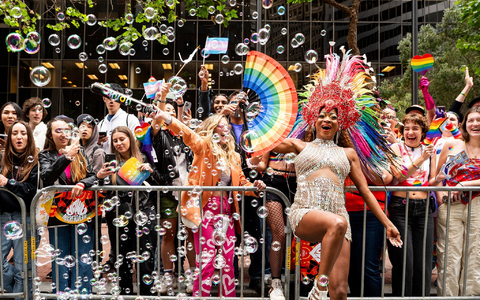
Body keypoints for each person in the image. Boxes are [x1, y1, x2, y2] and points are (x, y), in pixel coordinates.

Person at [271, 49, 402, 300]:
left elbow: (365, 191)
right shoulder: (300, 146)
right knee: (338, 223)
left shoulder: (349, 154)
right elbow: (269, 144)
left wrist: (388, 224)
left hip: (339, 221)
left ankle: (325, 289)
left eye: (332, 116)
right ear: (314, 122)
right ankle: (319, 286)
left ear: (340, 124)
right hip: (305, 214)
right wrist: (255, 121)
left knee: (340, 291)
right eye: (321, 115)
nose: (326, 118)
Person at [148, 109, 267, 297]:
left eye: (228, 127)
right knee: (207, 260)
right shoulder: (204, 147)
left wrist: (255, 185)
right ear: (213, 130)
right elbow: (188, 135)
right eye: (222, 126)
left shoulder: (235, 157)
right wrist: (166, 117)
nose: (226, 129)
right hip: (204, 211)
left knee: (228, 261)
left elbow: (242, 182)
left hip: (227, 212)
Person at [96, 126, 160, 295]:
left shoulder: (144, 158)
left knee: (145, 259)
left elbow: (160, 181)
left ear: (130, 139)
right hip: (118, 215)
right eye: (115, 140)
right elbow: (103, 189)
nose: (118, 143)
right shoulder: (110, 162)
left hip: (144, 212)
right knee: (121, 259)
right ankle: (125, 295)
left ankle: (146, 295)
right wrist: (100, 177)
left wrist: (151, 172)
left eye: (122, 139)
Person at [39, 117, 97, 293]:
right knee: (61, 257)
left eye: (66, 130)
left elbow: (92, 175)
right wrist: (66, 156)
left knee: (83, 256)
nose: (63, 134)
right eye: (58, 130)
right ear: (50, 134)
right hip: (58, 213)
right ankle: (62, 294)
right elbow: (47, 176)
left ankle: (83, 295)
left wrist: (82, 184)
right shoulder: (46, 155)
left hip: (82, 211)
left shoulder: (80, 152)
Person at [150, 86, 193, 293]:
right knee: (168, 235)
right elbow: (158, 120)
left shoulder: (187, 136)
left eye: (172, 111)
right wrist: (163, 98)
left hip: (190, 193)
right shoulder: (158, 136)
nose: (168, 113)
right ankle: (168, 275)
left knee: (191, 236)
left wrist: (180, 106)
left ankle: (193, 273)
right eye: (165, 110)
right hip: (168, 192)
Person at [388, 113, 437, 296]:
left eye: (415, 128)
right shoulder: (395, 148)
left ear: (423, 131)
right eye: (407, 128)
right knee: (404, 260)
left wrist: (441, 177)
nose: (410, 132)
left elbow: (431, 180)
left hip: (424, 207)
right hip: (400, 207)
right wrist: (422, 159)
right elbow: (398, 176)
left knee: (423, 262)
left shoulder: (430, 150)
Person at [435, 106, 480, 296]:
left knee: (475, 255)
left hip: (477, 205)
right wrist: (441, 195)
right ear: (464, 124)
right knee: (449, 257)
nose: (475, 124)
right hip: (451, 206)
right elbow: (437, 177)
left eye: (479, 120)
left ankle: (471, 297)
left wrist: (465, 184)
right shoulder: (452, 144)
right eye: (471, 120)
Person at [0, 121, 38, 300]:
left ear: (29, 137)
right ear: (10, 137)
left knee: (25, 267)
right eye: (15, 133)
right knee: (20, 270)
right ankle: (15, 281)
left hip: (27, 219)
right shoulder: (2, 160)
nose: (19, 137)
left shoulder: (36, 160)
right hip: (3, 218)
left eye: (23, 133)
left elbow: (31, 191)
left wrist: (8, 183)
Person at [255, 150, 297, 300]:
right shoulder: (274, 133)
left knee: (295, 235)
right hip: (273, 183)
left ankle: (297, 281)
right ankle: (276, 283)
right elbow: (262, 165)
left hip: (298, 183)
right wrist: (252, 163)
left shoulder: (304, 129)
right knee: (278, 234)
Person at [97, 83, 140, 153]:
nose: (112, 100)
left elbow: (136, 144)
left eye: (115, 96)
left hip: (125, 162)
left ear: (121, 99)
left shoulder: (130, 119)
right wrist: (98, 142)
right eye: (108, 96)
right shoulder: (100, 124)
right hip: (106, 163)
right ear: (104, 98)